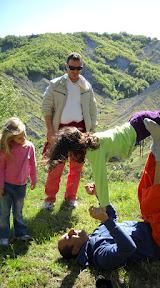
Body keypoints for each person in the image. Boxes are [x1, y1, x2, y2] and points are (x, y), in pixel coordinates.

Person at [57, 123, 160, 270]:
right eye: (69, 237)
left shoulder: (95, 235)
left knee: (143, 190)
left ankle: (157, 141)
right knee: (154, 199)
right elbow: (128, 248)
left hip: (152, 226)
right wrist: (105, 221)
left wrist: (99, 196)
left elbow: (112, 217)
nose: (71, 230)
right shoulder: (99, 255)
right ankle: (159, 142)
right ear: (75, 250)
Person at [41, 52, 97, 210]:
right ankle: (49, 199)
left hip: (80, 130)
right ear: (66, 67)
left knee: (76, 166)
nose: (75, 71)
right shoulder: (55, 84)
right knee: (56, 166)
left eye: (78, 68)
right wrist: (50, 130)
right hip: (60, 130)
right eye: (72, 67)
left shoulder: (86, 87)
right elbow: (46, 107)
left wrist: (90, 131)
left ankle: (70, 197)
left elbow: (93, 110)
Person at [0, 117, 37, 246]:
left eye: (24, 135)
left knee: (18, 212)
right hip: (6, 186)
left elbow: (32, 164)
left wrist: (33, 178)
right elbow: (1, 169)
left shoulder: (29, 147)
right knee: (4, 213)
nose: (23, 139)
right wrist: (1, 186)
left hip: (21, 186)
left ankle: (21, 234)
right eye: (19, 137)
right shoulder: (6, 149)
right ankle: (3, 237)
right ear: (11, 138)